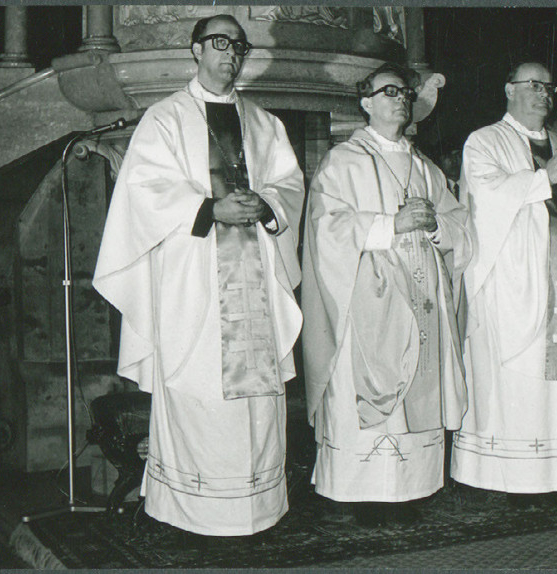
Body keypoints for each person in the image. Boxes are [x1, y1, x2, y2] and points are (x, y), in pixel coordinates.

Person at [92, 15, 305, 536]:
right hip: (193, 279)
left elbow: (290, 184)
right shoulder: (164, 119)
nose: (230, 53)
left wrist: (267, 204)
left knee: (256, 402)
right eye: (219, 43)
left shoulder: (263, 123)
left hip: (255, 279)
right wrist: (210, 209)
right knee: (197, 384)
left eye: (238, 46)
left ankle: (257, 508)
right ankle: (193, 512)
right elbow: (143, 190)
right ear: (196, 50)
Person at [302, 63, 471, 526]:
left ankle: (411, 489)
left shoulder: (426, 168)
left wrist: (436, 226)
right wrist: (389, 225)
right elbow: (325, 228)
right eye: (389, 92)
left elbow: (460, 224)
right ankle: (363, 493)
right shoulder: (343, 162)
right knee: (372, 385)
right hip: (367, 297)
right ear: (365, 102)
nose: (401, 99)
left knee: (419, 384)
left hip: (422, 294)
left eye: (405, 93)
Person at [451, 62, 557, 497]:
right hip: (513, 284)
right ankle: (506, 478)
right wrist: (546, 178)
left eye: (549, 87)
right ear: (509, 90)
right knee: (517, 386)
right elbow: (485, 196)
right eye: (533, 85)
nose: (544, 93)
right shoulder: (485, 141)